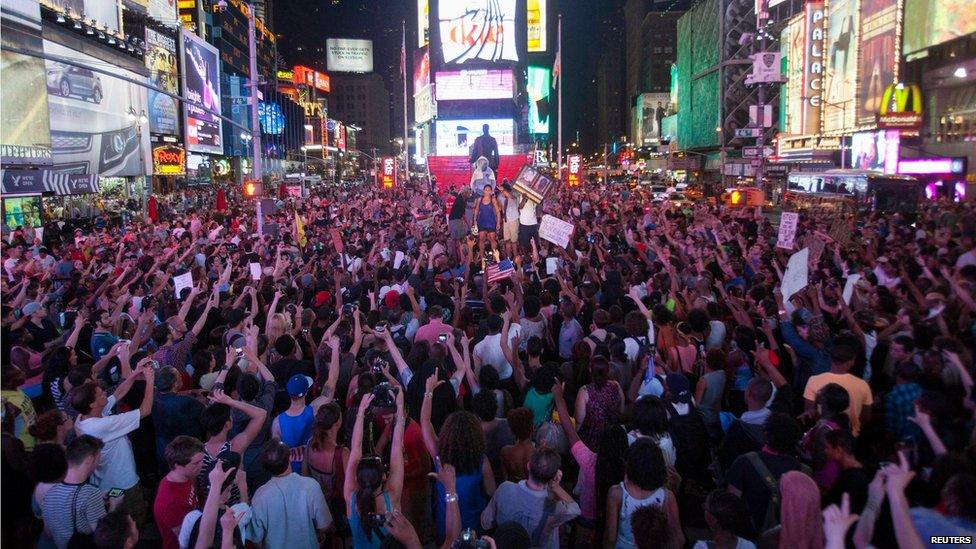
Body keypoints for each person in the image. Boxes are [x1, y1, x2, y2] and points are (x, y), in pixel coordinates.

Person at [70, 360, 155, 526]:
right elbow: (145, 411)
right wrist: (150, 381)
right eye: (101, 394)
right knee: (133, 517)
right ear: (92, 404)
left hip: (103, 481)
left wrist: (136, 372)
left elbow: (117, 394)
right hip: (122, 481)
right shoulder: (99, 426)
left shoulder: (82, 418)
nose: (105, 395)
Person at [481, 447, 580, 549]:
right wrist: (555, 487)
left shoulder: (504, 488)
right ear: (553, 477)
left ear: (528, 466)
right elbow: (575, 509)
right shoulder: (553, 508)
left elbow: (485, 522)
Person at [725, 413, 805, 532]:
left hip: (751, 535)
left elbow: (731, 504)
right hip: (788, 535)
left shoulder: (745, 462)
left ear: (766, 434)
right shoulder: (802, 470)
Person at [249, 438, 332, 549]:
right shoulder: (311, 486)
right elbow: (325, 525)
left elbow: (256, 539)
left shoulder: (260, 496)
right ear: (290, 458)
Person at [604, 439, 684, 549]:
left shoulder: (616, 493)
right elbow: (678, 538)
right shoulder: (667, 496)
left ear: (630, 464)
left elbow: (611, 536)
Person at [40, 435, 107, 549]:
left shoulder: (49, 493)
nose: (98, 463)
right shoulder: (91, 494)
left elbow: (49, 533)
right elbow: (104, 538)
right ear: (89, 459)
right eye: (98, 458)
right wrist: (115, 505)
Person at [802, 344, 873, 435]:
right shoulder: (863, 385)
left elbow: (809, 412)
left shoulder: (814, 380)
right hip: (851, 436)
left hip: (823, 435)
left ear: (831, 359)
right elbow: (866, 417)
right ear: (851, 362)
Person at [153, 436, 205, 549]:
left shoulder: (186, 476)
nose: (202, 465)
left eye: (202, 460)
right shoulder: (171, 501)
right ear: (177, 465)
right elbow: (186, 536)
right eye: (196, 463)